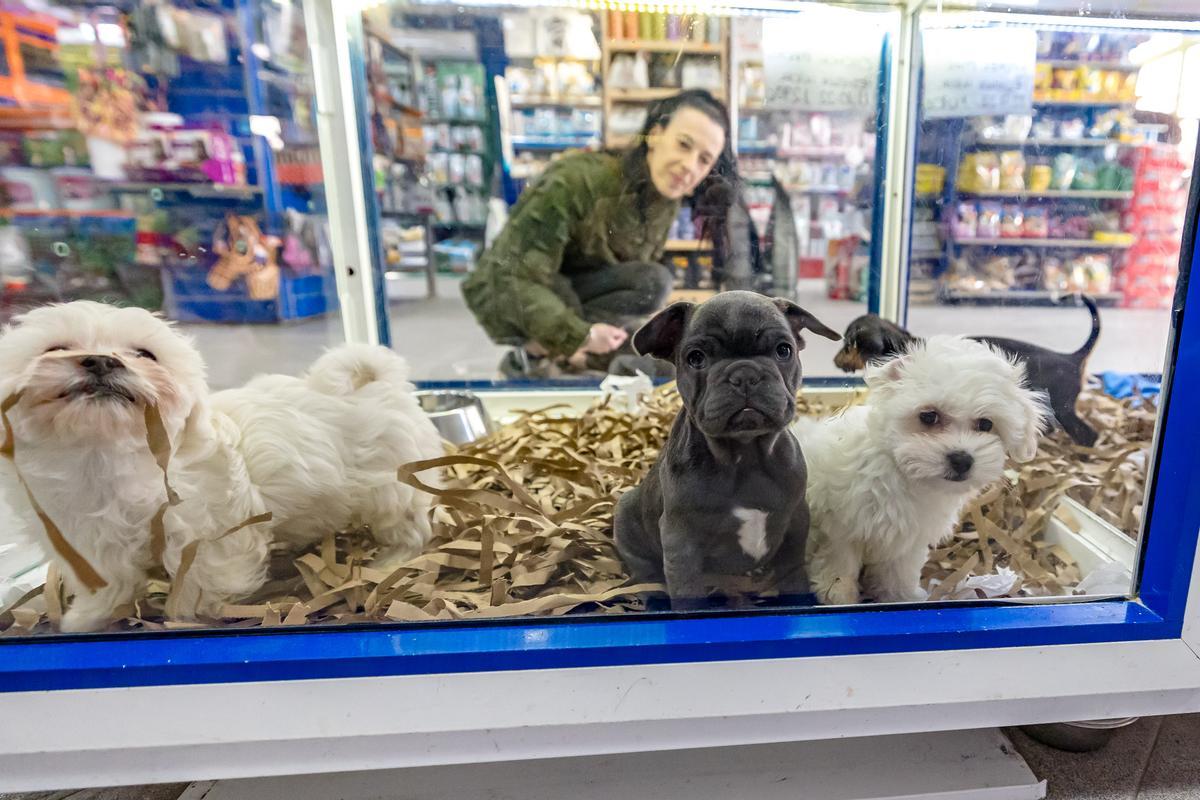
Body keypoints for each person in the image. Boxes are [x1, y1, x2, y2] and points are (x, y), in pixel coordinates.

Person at [462, 89, 737, 378]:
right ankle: (534, 355)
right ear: (655, 135)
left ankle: (569, 356)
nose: (690, 166)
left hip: (573, 295)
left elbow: (629, 276)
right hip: (512, 290)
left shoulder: (664, 198)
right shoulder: (575, 181)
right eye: (683, 145)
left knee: (656, 293)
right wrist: (581, 335)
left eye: (704, 160)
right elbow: (510, 276)